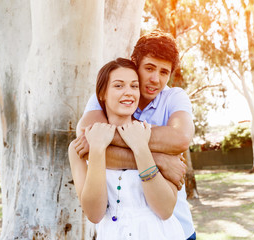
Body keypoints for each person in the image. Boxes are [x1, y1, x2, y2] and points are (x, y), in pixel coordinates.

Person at [73, 30, 196, 240]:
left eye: (164, 72)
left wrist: (127, 141)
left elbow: (181, 139)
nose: (155, 79)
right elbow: (88, 140)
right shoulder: (106, 92)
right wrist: (161, 159)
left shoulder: (174, 97)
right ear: (134, 64)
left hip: (176, 226)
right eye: (149, 68)